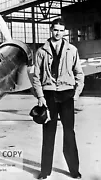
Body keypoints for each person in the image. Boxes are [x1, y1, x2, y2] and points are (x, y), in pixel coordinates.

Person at [32, 18, 84, 179]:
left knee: (69, 133)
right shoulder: (41, 51)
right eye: (55, 30)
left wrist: (75, 94)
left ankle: (74, 170)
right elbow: (36, 77)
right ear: (50, 30)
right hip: (49, 96)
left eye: (61, 30)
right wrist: (40, 96)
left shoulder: (72, 50)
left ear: (64, 32)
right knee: (48, 133)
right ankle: (45, 171)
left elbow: (79, 74)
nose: (58, 33)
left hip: (67, 94)